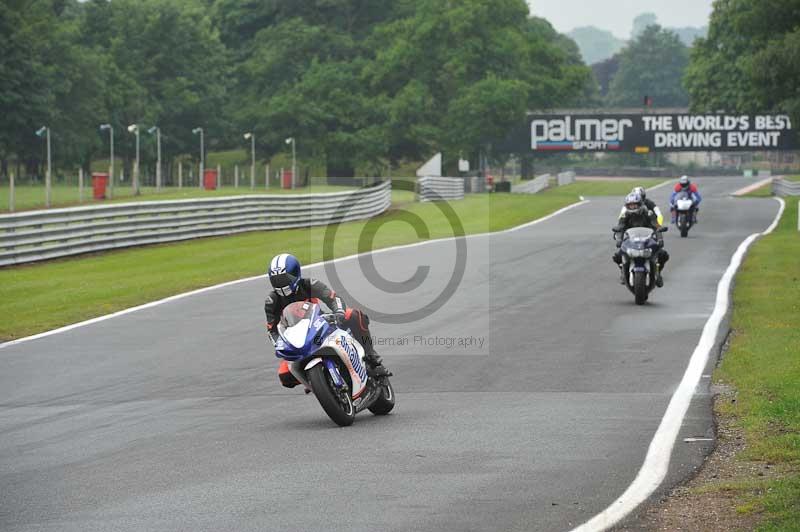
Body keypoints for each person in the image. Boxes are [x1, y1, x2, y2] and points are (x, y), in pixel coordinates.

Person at [264, 253, 390, 388]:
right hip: (296, 340)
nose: (282, 284)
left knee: (353, 315)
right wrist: (279, 344)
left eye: (285, 278)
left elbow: (333, 298)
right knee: (284, 376)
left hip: (319, 325)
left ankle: (371, 355)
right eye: (277, 280)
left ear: (296, 273)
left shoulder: (310, 285)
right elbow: (271, 330)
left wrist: (339, 313)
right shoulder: (272, 301)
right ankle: (317, 383)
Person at [612, 191, 669, 287]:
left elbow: (656, 225)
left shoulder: (649, 213)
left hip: (648, 240)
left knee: (663, 255)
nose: (632, 207)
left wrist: (660, 238)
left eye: (634, 205)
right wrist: (619, 240)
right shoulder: (625, 215)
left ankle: (658, 273)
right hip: (631, 240)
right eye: (630, 205)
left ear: (640, 204)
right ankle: (623, 273)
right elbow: (620, 226)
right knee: (617, 256)